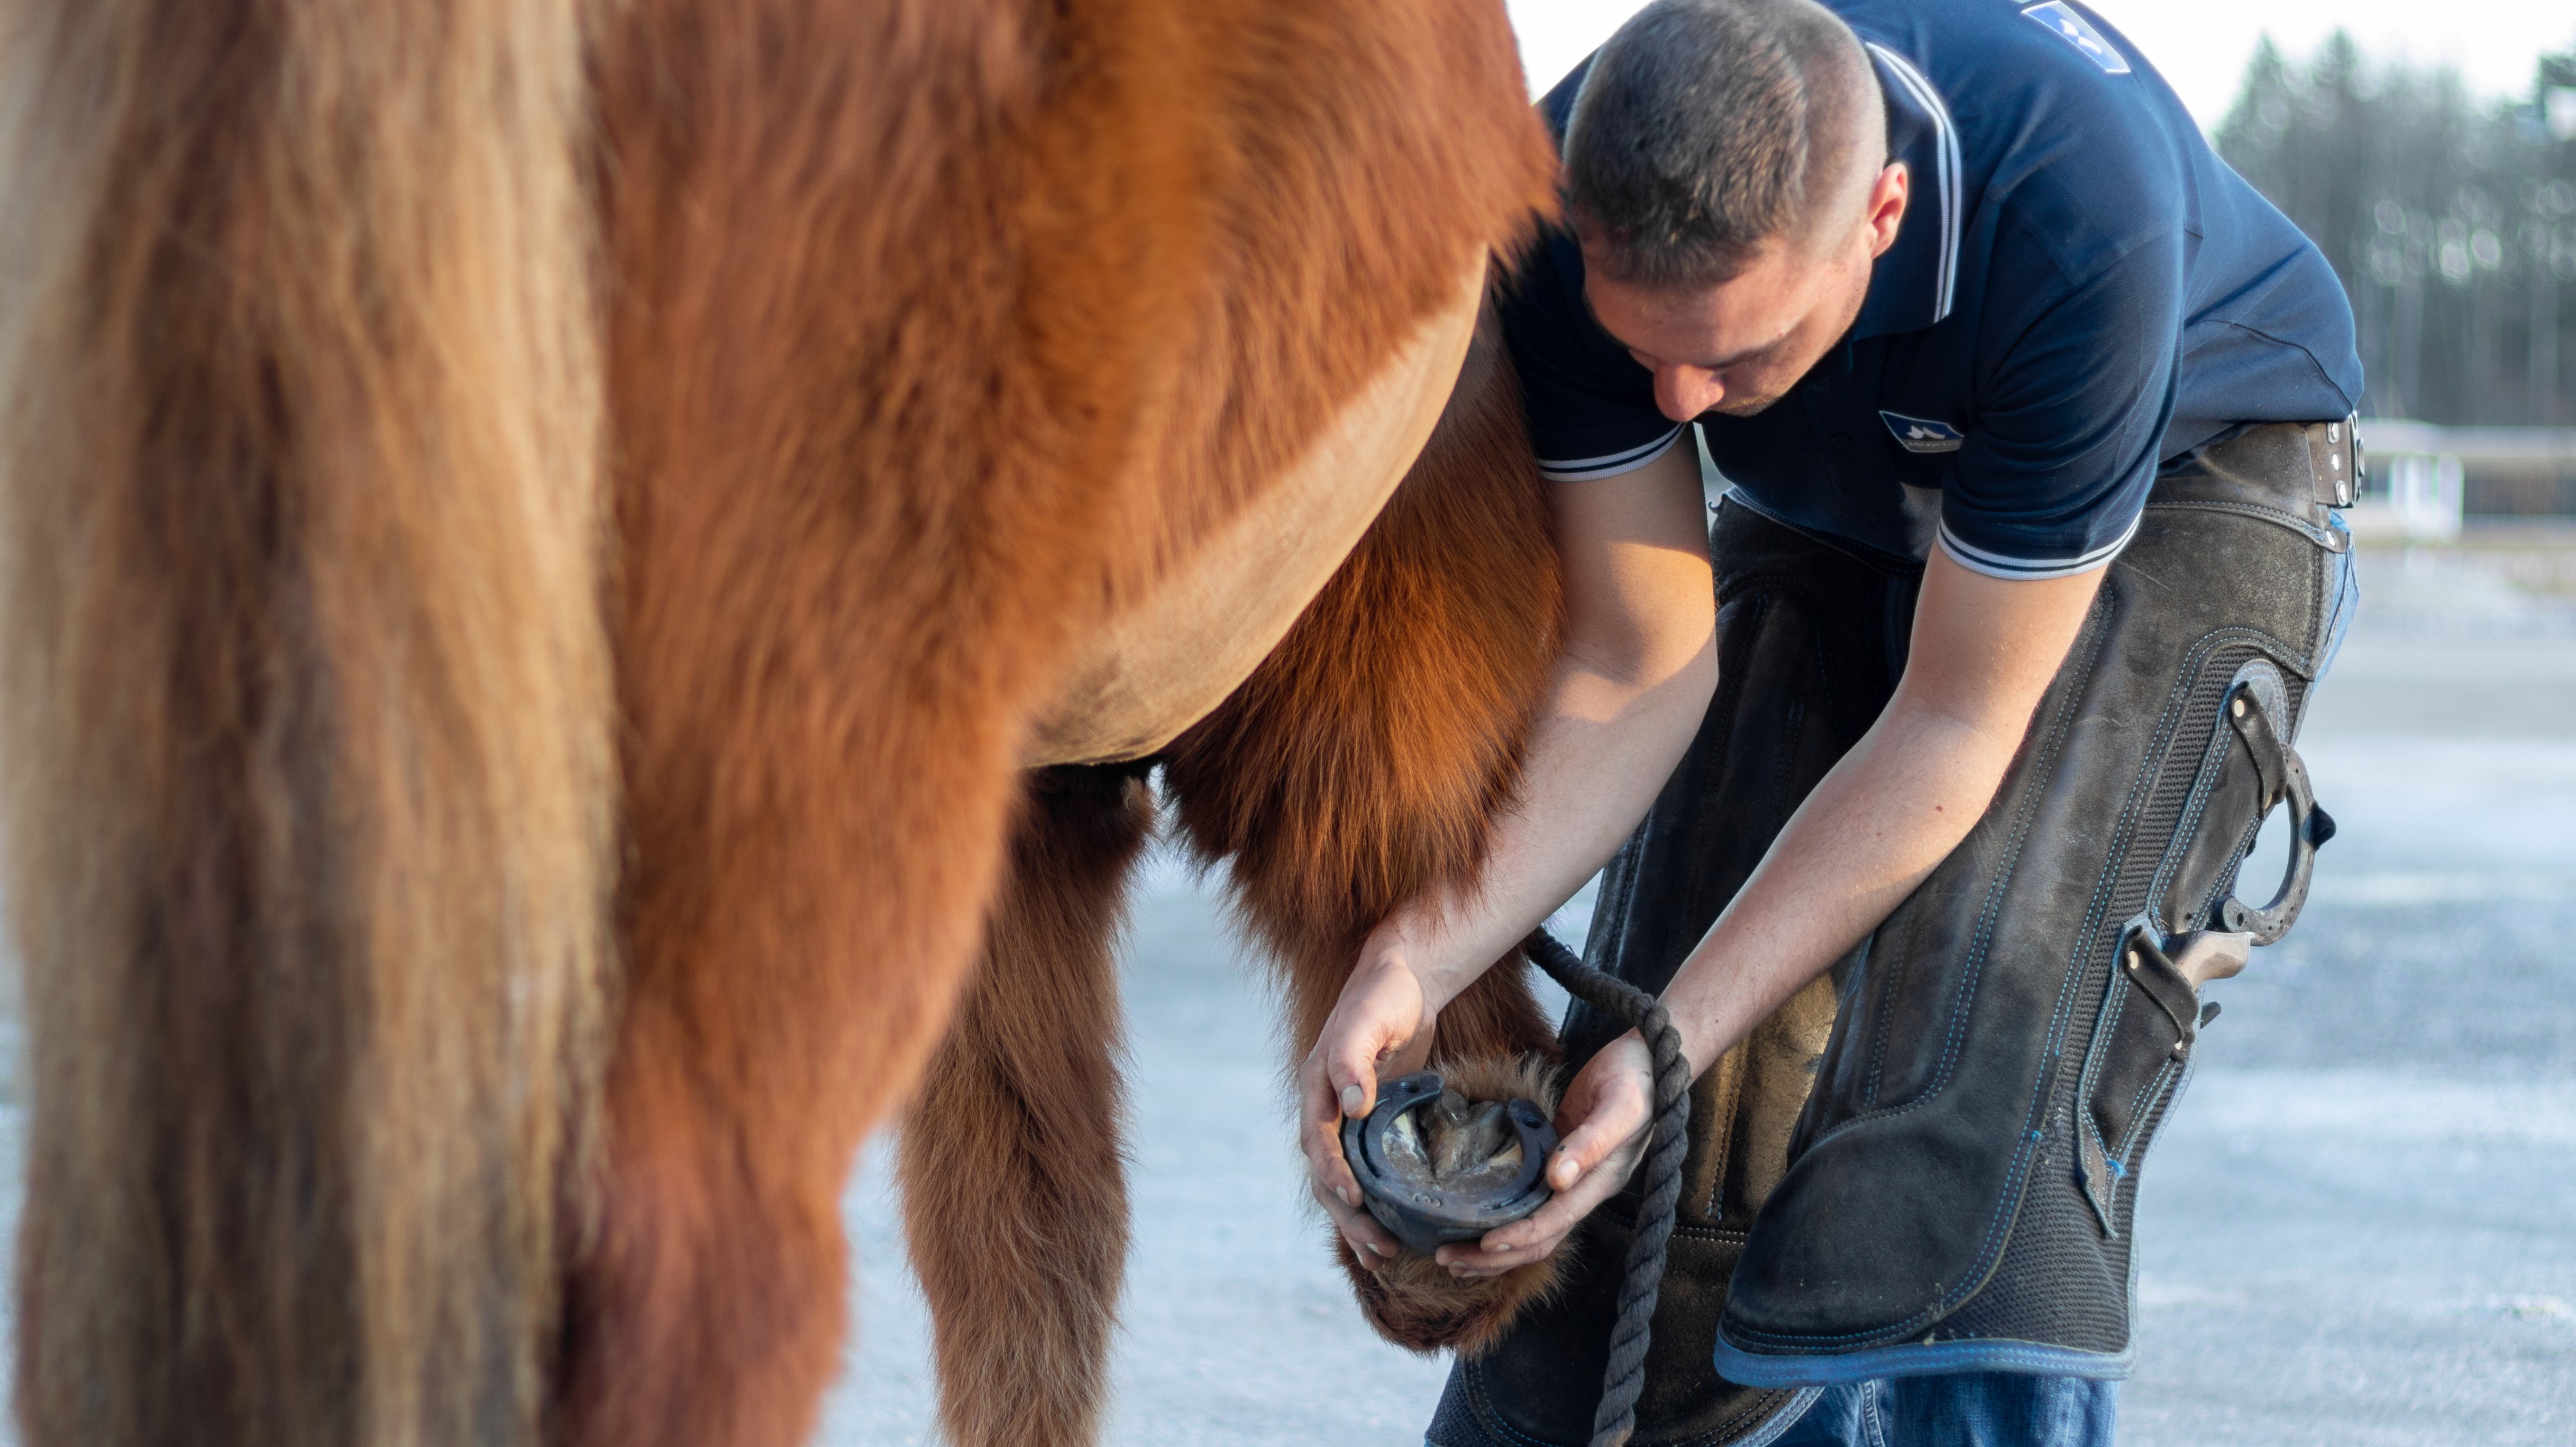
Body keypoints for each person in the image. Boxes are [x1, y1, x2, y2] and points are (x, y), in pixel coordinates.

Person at [1296, 1, 2364, 1443]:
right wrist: (1414, 955)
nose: (1679, 399)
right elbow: (1639, 658)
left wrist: (1676, 1026)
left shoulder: (2078, 224)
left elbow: (1950, 726)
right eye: (1646, 351)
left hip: (2193, 478)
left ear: (1881, 213)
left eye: (1729, 357)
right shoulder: (1558, 193)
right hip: (1840, 494)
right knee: (1673, 1153)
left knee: (1960, 1111)